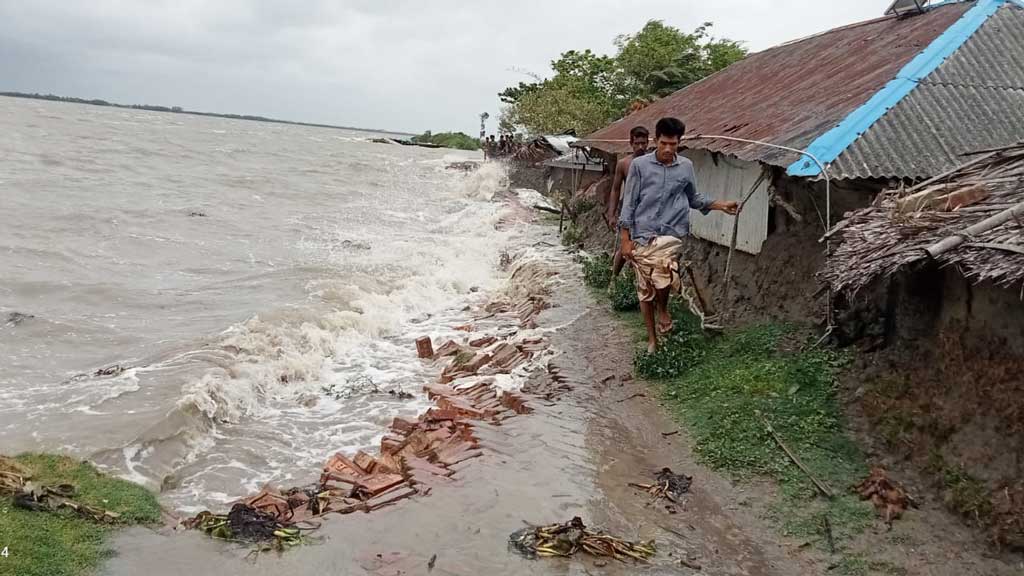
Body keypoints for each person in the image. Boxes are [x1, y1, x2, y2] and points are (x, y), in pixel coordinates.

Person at [618, 117, 738, 353]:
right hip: (643, 234)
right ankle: (652, 339)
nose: (668, 149)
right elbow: (629, 203)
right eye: (664, 143)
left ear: (679, 142)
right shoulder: (639, 166)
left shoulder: (686, 167)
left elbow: (694, 198)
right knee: (644, 287)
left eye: (673, 144)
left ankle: (663, 309)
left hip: (672, 234)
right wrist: (625, 239)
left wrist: (720, 205)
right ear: (656, 140)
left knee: (664, 277)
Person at [606, 126, 650, 279]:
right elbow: (616, 189)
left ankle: (637, 281)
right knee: (626, 247)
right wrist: (612, 214)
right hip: (629, 212)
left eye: (644, 143)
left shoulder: (653, 163)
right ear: (631, 143)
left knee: (644, 247)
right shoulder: (624, 164)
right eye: (637, 143)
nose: (640, 147)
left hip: (648, 212)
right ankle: (614, 280)